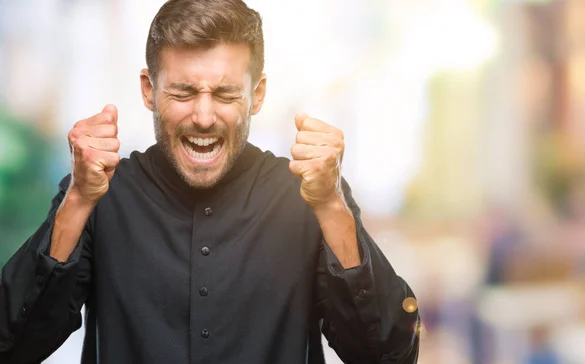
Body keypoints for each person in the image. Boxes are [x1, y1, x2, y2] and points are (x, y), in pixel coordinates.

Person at [0, 0, 420, 363]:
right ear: (149, 90)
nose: (203, 116)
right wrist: (77, 201)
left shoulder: (312, 196)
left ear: (257, 95)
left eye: (224, 94)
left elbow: (389, 354)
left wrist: (330, 207)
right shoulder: (99, 195)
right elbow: (13, 347)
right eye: (183, 93)